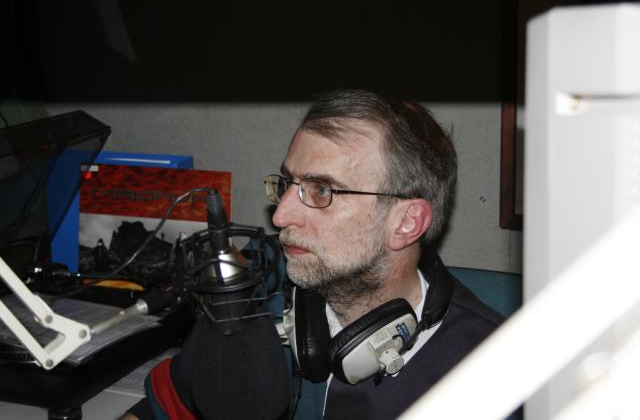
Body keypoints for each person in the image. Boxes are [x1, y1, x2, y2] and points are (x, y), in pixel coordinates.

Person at [122, 89, 508, 419]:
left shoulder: (495, 373)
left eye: (322, 190)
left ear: (406, 223)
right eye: (288, 183)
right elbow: (163, 407)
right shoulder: (260, 302)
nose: (280, 215)